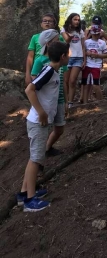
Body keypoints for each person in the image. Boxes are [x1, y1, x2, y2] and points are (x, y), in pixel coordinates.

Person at [17, 41, 70, 212]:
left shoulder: (54, 71)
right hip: (38, 122)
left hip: (41, 123)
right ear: (63, 57)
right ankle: (30, 202)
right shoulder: (48, 71)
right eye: (68, 54)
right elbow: (29, 90)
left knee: (34, 158)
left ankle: (24, 194)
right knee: (35, 159)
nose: (69, 57)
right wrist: (41, 112)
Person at [31, 29, 68, 157]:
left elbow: (62, 81)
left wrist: (66, 101)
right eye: (57, 40)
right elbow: (34, 84)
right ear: (48, 43)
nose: (60, 41)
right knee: (44, 129)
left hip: (60, 99)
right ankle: (40, 155)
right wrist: (40, 109)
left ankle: (46, 148)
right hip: (46, 102)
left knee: (60, 128)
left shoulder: (61, 61)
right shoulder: (40, 61)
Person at [25, 13, 58, 86]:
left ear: (54, 24)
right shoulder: (35, 37)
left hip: (53, 67)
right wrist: (28, 74)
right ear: (41, 24)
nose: (47, 22)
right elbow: (30, 56)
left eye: (50, 21)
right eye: (45, 21)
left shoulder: (58, 38)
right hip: (38, 68)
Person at [60, 13, 86, 108]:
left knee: (72, 80)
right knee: (66, 81)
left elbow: (83, 46)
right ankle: (65, 101)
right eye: (75, 19)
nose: (77, 21)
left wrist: (84, 60)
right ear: (70, 20)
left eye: (78, 20)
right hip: (67, 58)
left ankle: (71, 102)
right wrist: (70, 34)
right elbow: (66, 40)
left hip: (78, 58)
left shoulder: (81, 31)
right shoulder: (64, 29)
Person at [82, 25, 107, 104]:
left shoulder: (102, 42)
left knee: (95, 85)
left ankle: (101, 102)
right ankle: (85, 103)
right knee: (86, 84)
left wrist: (97, 55)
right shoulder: (86, 42)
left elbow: (106, 55)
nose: (97, 35)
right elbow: (83, 52)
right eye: (95, 34)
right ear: (91, 33)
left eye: (98, 33)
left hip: (96, 66)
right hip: (87, 65)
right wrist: (87, 53)